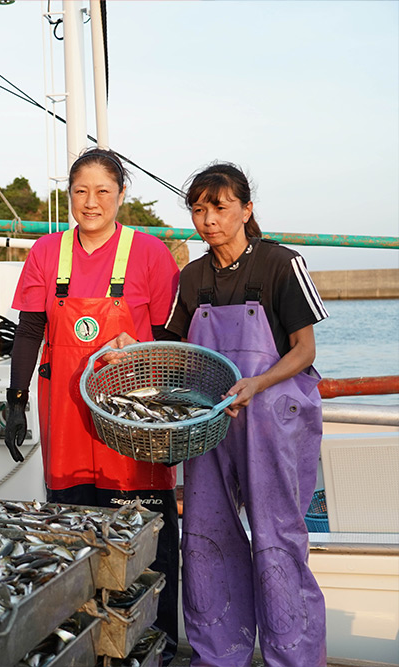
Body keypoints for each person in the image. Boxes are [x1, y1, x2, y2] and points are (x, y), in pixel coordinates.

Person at [4, 148, 181, 663]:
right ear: (69, 196)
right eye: (81, 191)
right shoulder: (47, 252)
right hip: (68, 427)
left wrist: (170, 420)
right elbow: (31, 329)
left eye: (103, 191)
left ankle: (156, 646)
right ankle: (86, 649)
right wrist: (16, 401)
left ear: (122, 195)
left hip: (133, 431)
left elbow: (173, 335)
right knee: (77, 547)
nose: (91, 202)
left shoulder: (149, 252)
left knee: (147, 547)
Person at [166, 163, 327, 666]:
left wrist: (258, 383)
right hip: (213, 426)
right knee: (206, 536)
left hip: (273, 422)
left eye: (220, 206)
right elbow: (174, 352)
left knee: (278, 539)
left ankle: (294, 657)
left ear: (246, 208)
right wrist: (133, 348)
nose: (209, 219)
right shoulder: (192, 277)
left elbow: (304, 350)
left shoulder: (282, 264)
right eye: (199, 208)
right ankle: (219, 654)